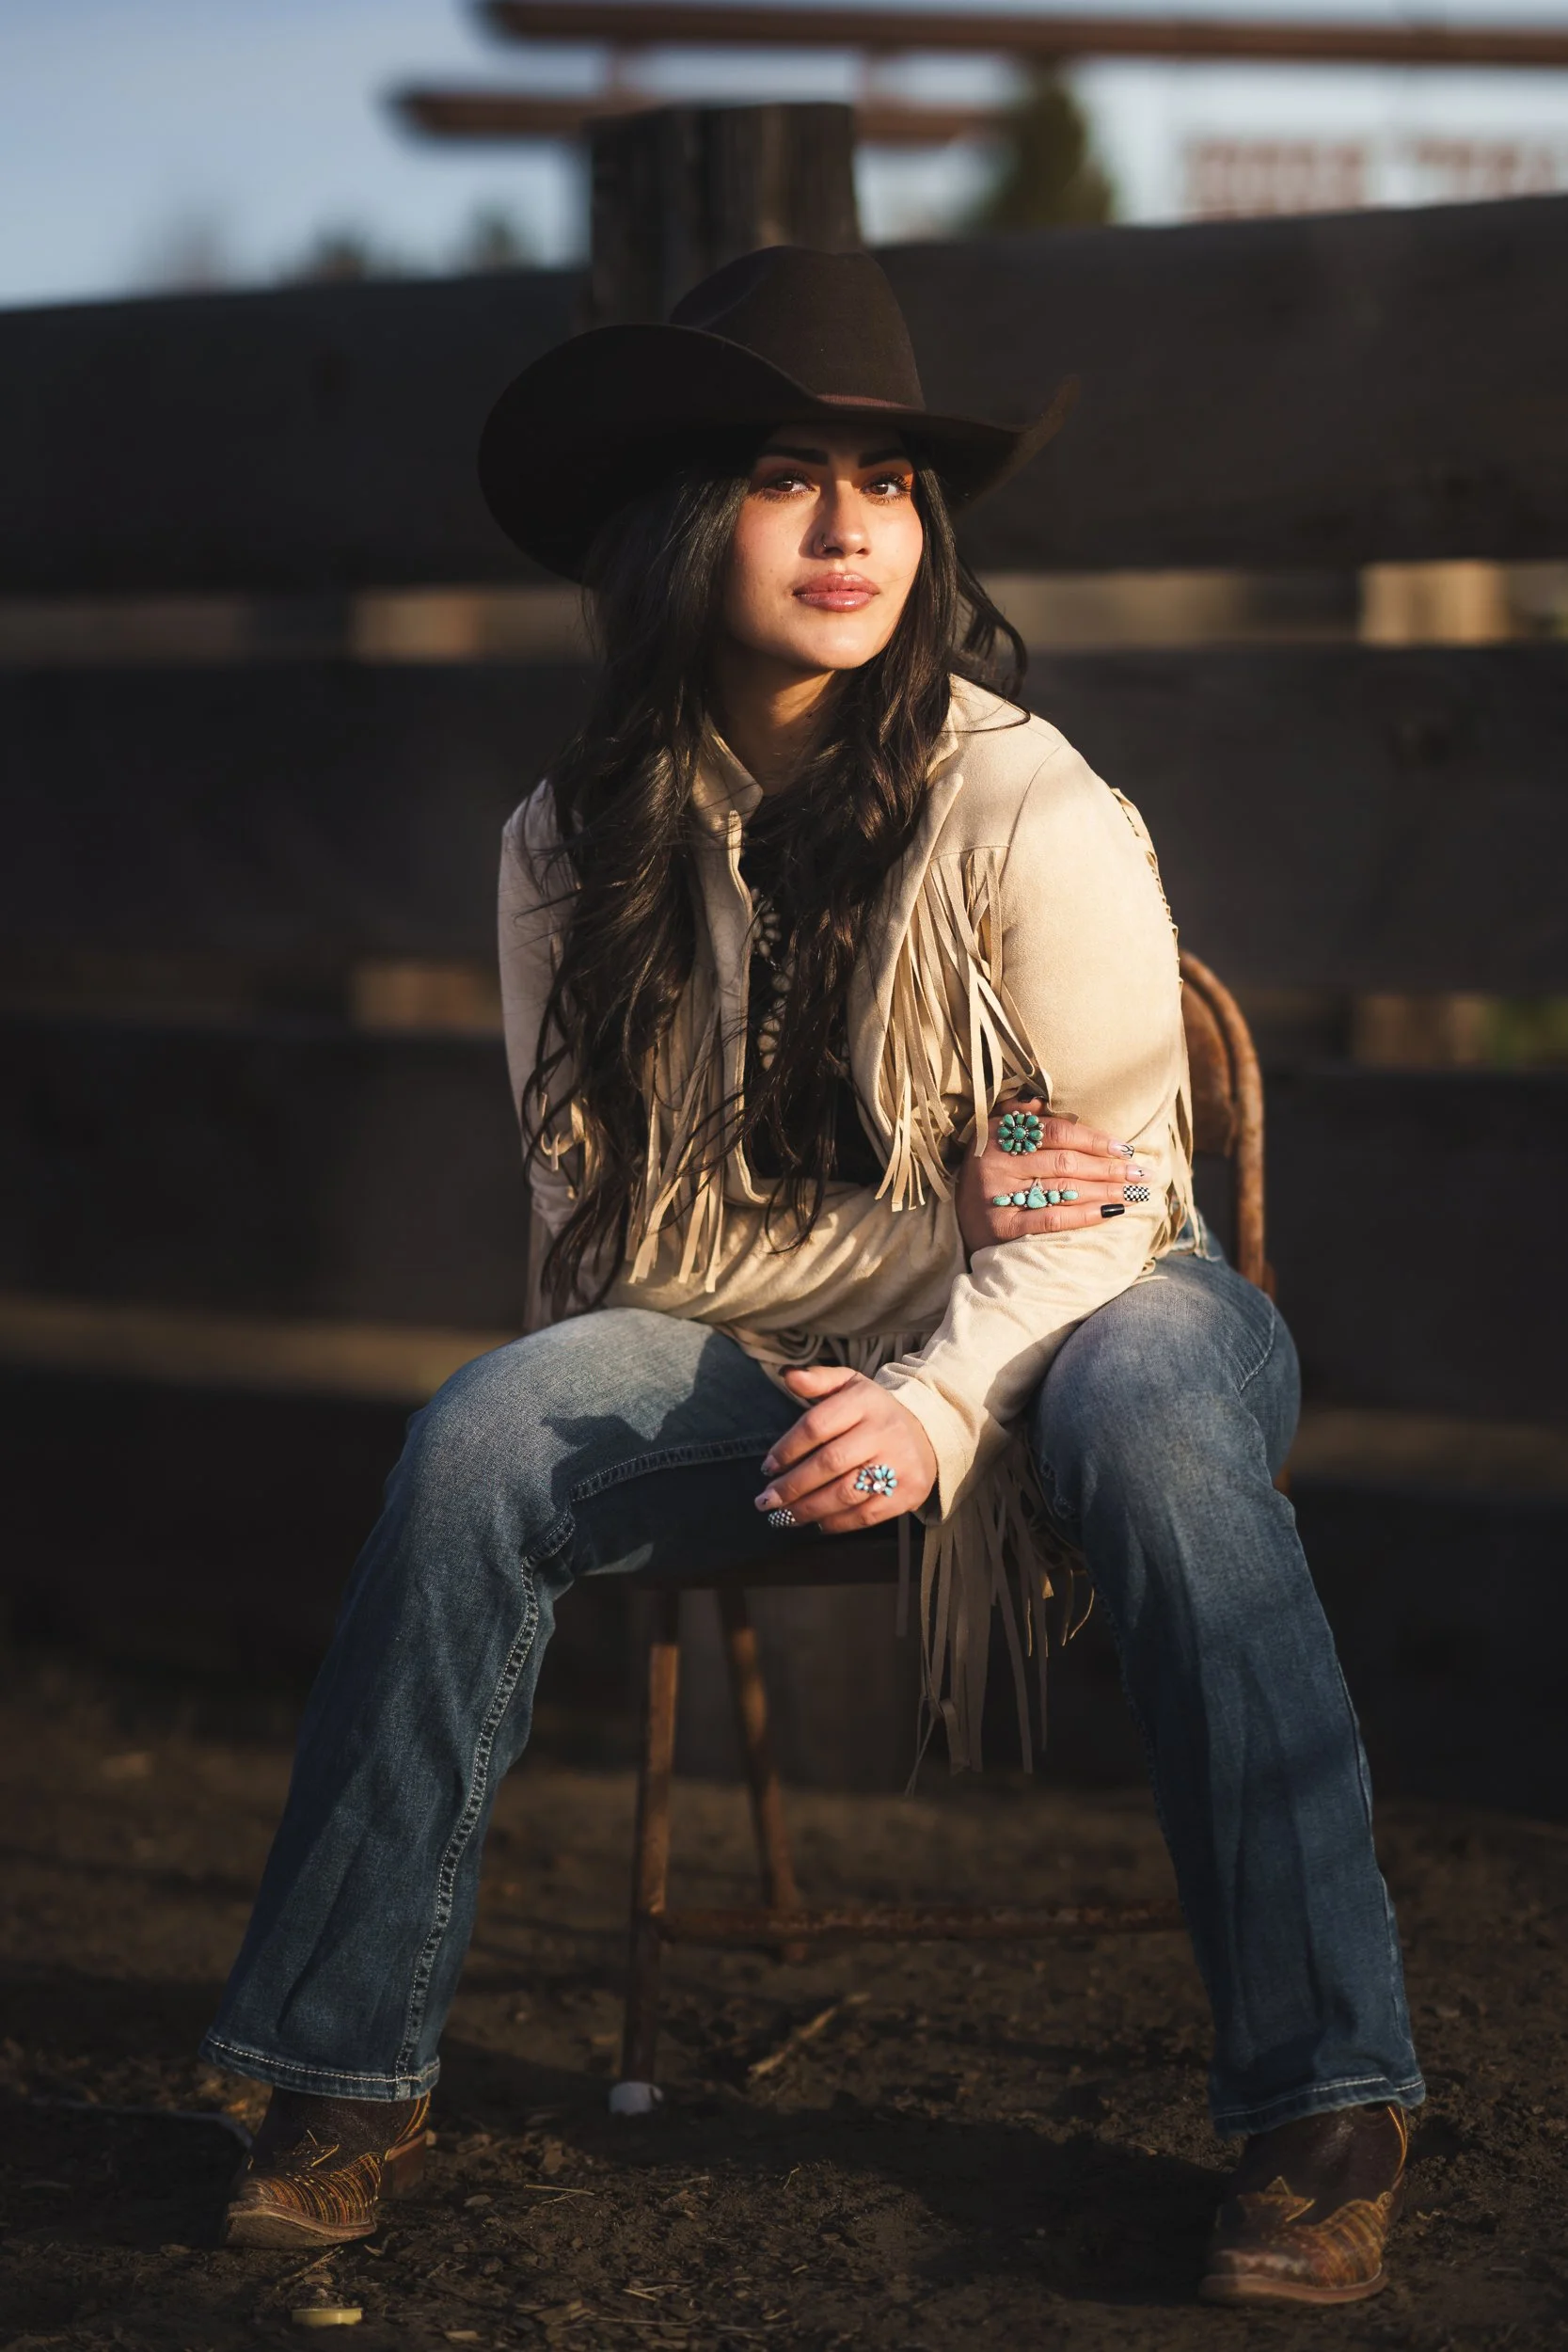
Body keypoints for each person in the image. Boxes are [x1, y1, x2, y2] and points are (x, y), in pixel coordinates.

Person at [203, 246, 1422, 2304]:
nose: (855, 526)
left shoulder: (1027, 805)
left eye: (889, 481)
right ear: (684, 520)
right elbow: (609, 1240)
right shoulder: (564, 844)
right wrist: (906, 1259)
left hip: (1117, 1303)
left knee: (1133, 1394)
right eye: (788, 474)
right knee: (486, 1430)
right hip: (761, 1333)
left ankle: (1327, 2097)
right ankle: (335, 2068)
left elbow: (1107, 1211)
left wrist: (944, 1381)